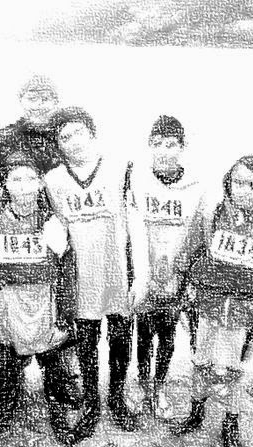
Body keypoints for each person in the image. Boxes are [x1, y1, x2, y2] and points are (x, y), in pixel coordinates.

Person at [170, 155, 253, 446]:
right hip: (207, 305)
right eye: (238, 182)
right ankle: (196, 412)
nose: (243, 190)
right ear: (228, 183)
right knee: (201, 361)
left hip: (244, 312)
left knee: (233, 370)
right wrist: (178, 286)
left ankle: (230, 422)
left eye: (251, 185)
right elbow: (188, 251)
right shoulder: (211, 215)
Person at [45, 107, 148, 444]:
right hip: (82, 277)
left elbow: (136, 225)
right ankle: (91, 403)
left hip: (117, 272)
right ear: (58, 144)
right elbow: (57, 228)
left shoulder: (120, 168)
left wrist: (141, 276)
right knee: (86, 345)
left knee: (120, 340)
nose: (73, 141)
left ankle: (116, 398)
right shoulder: (53, 180)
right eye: (64, 136)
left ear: (92, 133)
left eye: (78, 132)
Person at [0, 151, 77, 442]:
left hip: (45, 302)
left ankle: (59, 418)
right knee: (9, 366)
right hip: (10, 302)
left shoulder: (51, 221)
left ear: (40, 183)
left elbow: (67, 272)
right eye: (16, 179)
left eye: (30, 179)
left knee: (53, 365)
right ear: (5, 184)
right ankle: (3, 417)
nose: (23, 186)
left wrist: (65, 320)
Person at [124, 116, 203, 418]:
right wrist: (140, 275)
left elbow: (197, 234)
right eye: (158, 144)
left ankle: (159, 386)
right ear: (149, 146)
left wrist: (184, 274)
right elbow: (133, 230)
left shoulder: (195, 185)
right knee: (144, 334)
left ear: (182, 147)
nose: (164, 151)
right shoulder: (138, 180)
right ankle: (144, 385)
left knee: (167, 334)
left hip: (176, 274)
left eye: (171, 144)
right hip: (146, 271)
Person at [0, 74, 62, 230]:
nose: (39, 105)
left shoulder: (65, 139)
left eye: (45, 99)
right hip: (12, 226)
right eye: (32, 99)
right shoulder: (1, 140)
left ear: (55, 102)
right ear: (21, 100)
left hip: (58, 223)